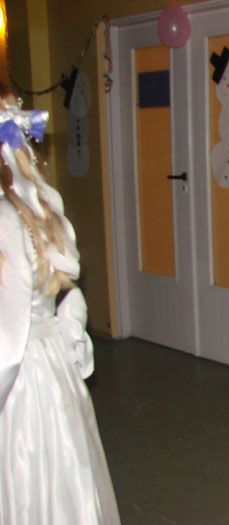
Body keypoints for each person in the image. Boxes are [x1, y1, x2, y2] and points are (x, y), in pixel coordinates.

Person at [0, 86, 121, 523]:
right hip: (51, 367)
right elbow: (66, 297)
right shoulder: (35, 213)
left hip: (20, 382)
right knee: (65, 480)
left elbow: (8, 340)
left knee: (30, 483)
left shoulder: (4, 221)